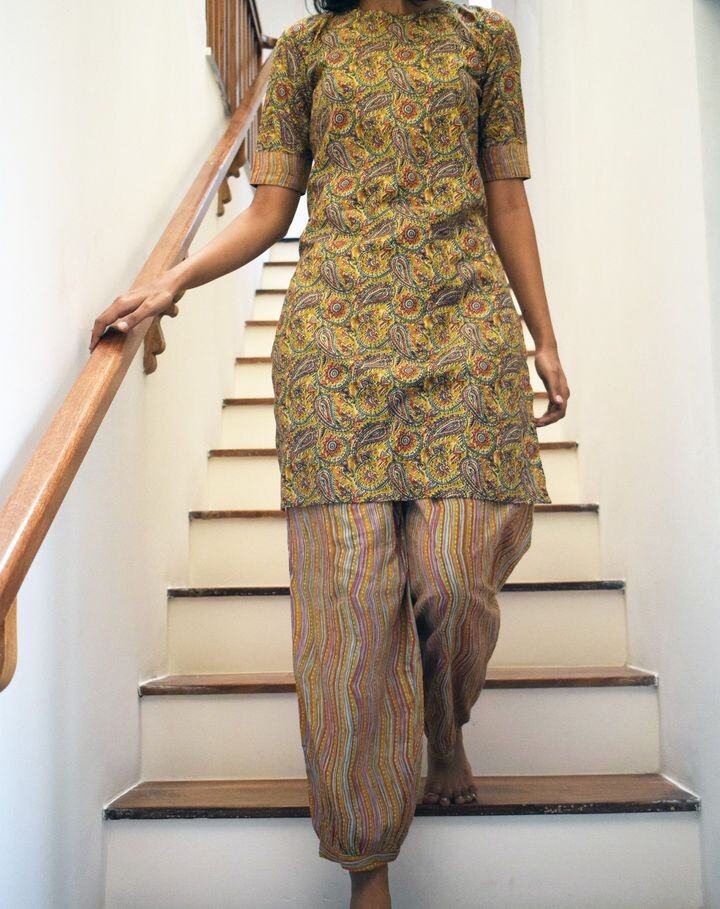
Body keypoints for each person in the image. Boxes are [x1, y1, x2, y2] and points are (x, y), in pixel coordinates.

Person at [90, 0, 570, 905]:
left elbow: (507, 198)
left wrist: (542, 335)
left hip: (464, 332)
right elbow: (269, 210)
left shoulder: (484, 39)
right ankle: (365, 862)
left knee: (457, 572)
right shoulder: (307, 48)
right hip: (334, 349)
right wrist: (171, 280)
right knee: (348, 615)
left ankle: (443, 722)